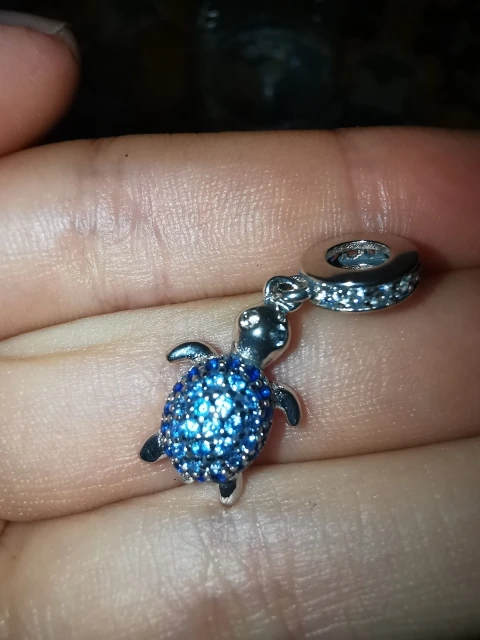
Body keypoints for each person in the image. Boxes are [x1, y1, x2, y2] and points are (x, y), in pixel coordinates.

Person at [0, 11, 479, 640]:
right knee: (205, 441)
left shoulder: (219, 363)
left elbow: (195, 359)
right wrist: (286, 406)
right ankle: (201, 465)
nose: (263, 330)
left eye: (267, 329)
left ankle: (181, 454)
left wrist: (229, 374)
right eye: (262, 325)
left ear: (274, 343)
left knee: (189, 431)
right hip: (228, 412)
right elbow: (273, 403)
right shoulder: (261, 388)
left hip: (214, 403)